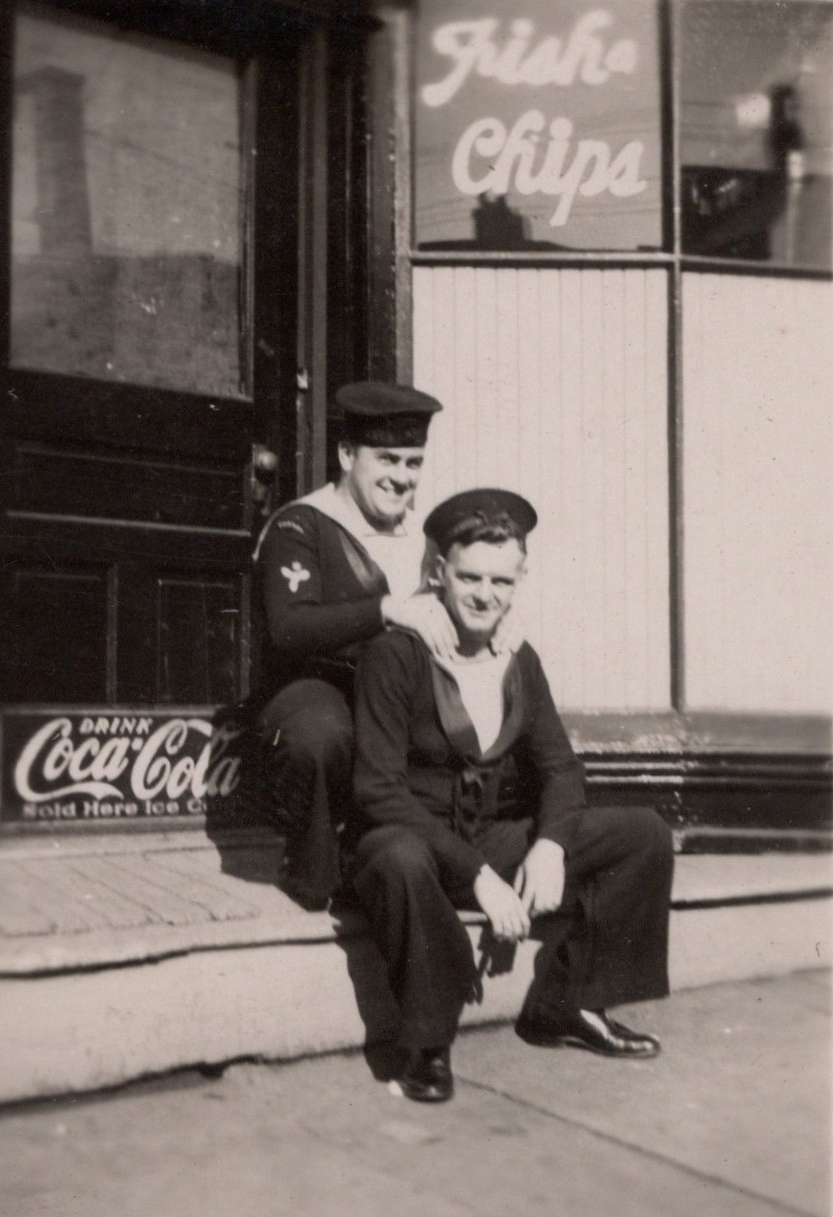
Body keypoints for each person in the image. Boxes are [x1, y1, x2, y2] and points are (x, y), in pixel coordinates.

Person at [350, 489, 674, 1103]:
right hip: (409, 841)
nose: (484, 595)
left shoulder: (518, 658)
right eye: (469, 577)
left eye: (501, 581)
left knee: (643, 834)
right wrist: (478, 875)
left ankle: (571, 1005)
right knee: (399, 858)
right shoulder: (396, 655)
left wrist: (550, 846)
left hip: (489, 839)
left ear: (519, 581)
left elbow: (561, 769)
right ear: (439, 572)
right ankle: (426, 1041)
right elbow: (378, 790)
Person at [253, 382, 462, 910]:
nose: (401, 477)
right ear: (347, 455)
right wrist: (385, 609)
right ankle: (313, 870)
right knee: (317, 734)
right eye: (386, 459)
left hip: (395, 695)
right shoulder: (301, 524)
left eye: (413, 463)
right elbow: (289, 628)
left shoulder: (425, 539)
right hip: (322, 686)